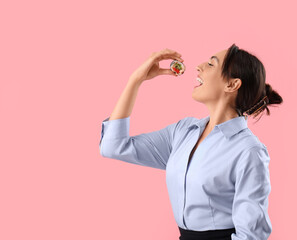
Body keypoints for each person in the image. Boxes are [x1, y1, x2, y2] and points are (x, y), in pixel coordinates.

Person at [99, 44, 283, 240]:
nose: (199, 67)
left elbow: (251, 236)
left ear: (232, 84)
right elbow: (114, 147)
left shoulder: (248, 151)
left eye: (211, 64)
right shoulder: (183, 131)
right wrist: (135, 80)